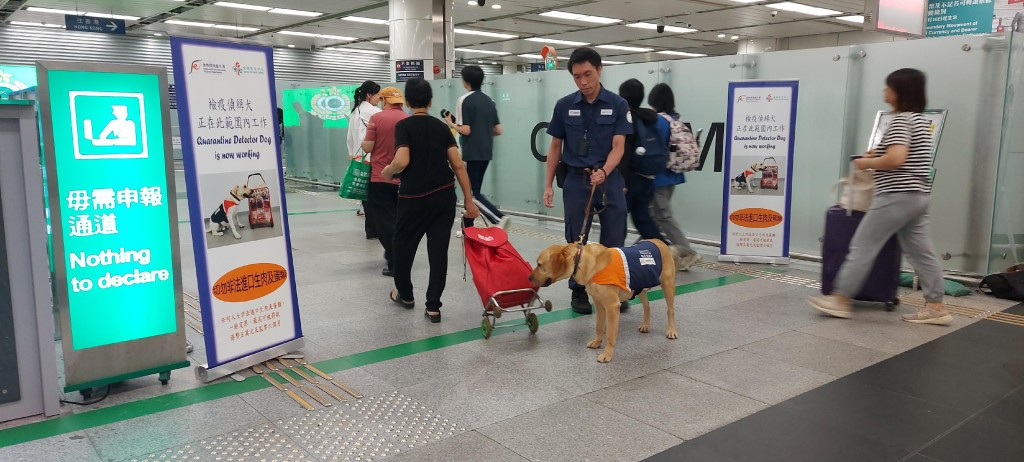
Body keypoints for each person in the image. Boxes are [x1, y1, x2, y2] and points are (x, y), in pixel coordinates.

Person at [808, 68, 952, 326]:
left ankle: (840, 300)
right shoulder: (919, 120)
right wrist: (878, 154)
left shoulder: (900, 121)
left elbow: (897, 159)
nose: (884, 91)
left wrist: (866, 163)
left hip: (896, 196)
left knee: (862, 247)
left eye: (888, 87)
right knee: (922, 253)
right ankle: (936, 307)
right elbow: (905, 156)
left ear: (899, 92)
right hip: (918, 195)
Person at [382, 78, 480, 323]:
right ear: (430, 100)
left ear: (407, 101)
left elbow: (402, 160)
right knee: (438, 252)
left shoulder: (404, 126)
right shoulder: (440, 126)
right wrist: (469, 201)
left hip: (413, 199)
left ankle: (405, 294)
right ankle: (433, 306)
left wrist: (388, 171)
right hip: (443, 197)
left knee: (403, 246)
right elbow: (458, 165)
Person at [543, 47, 632, 315]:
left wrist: (604, 171)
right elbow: (555, 146)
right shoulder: (564, 105)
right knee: (575, 239)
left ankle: (613, 287)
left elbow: (619, 146)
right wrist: (547, 185)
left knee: (614, 236)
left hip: (609, 178)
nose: (583, 82)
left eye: (587, 74)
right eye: (577, 77)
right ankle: (579, 290)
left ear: (599, 70)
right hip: (575, 179)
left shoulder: (618, 105)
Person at [444, 65, 509, 231]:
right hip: (486, 151)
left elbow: (466, 129)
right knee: (473, 189)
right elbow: (498, 130)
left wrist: (451, 124)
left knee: (471, 193)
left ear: (466, 82)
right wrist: (483, 133)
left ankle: (498, 218)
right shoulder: (489, 101)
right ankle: (468, 228)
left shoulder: (464, 100)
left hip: (471, 152)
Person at [647, 83, 701, 271]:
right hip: (673, 174)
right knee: (654, 215)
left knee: (662, 215)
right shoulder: (675, 119)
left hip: (660, 175)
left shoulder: (658, 121)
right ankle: (644, 251)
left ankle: (687, 252)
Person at [361, 87, 408, 277]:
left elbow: (368, 146)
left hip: (380, 178)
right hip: (404, 179)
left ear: (385, 101)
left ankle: (395, 260)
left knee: (383, 222)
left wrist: (365, 143)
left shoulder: (377, 119)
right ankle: (397, 256)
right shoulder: (408, 119)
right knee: (399, 220)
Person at [617, 79, 668, 243]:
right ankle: (667, 251)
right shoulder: (650, 118)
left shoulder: (628, 119)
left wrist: (622, 182)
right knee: (642, 219)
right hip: (648, 176)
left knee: (617, 217)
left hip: (631, 178)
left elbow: (624, 152)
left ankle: (618, 255)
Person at [346, 80, 381, 239]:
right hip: (373, 157)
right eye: (378, 94)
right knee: (376, 193)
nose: (379, 98)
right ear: (369, 94)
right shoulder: (375, 111)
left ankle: (371, 229)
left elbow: (350, 137)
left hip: (358, 158)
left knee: (365, 194)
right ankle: (376, 229)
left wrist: (352, 153)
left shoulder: (355, 111)